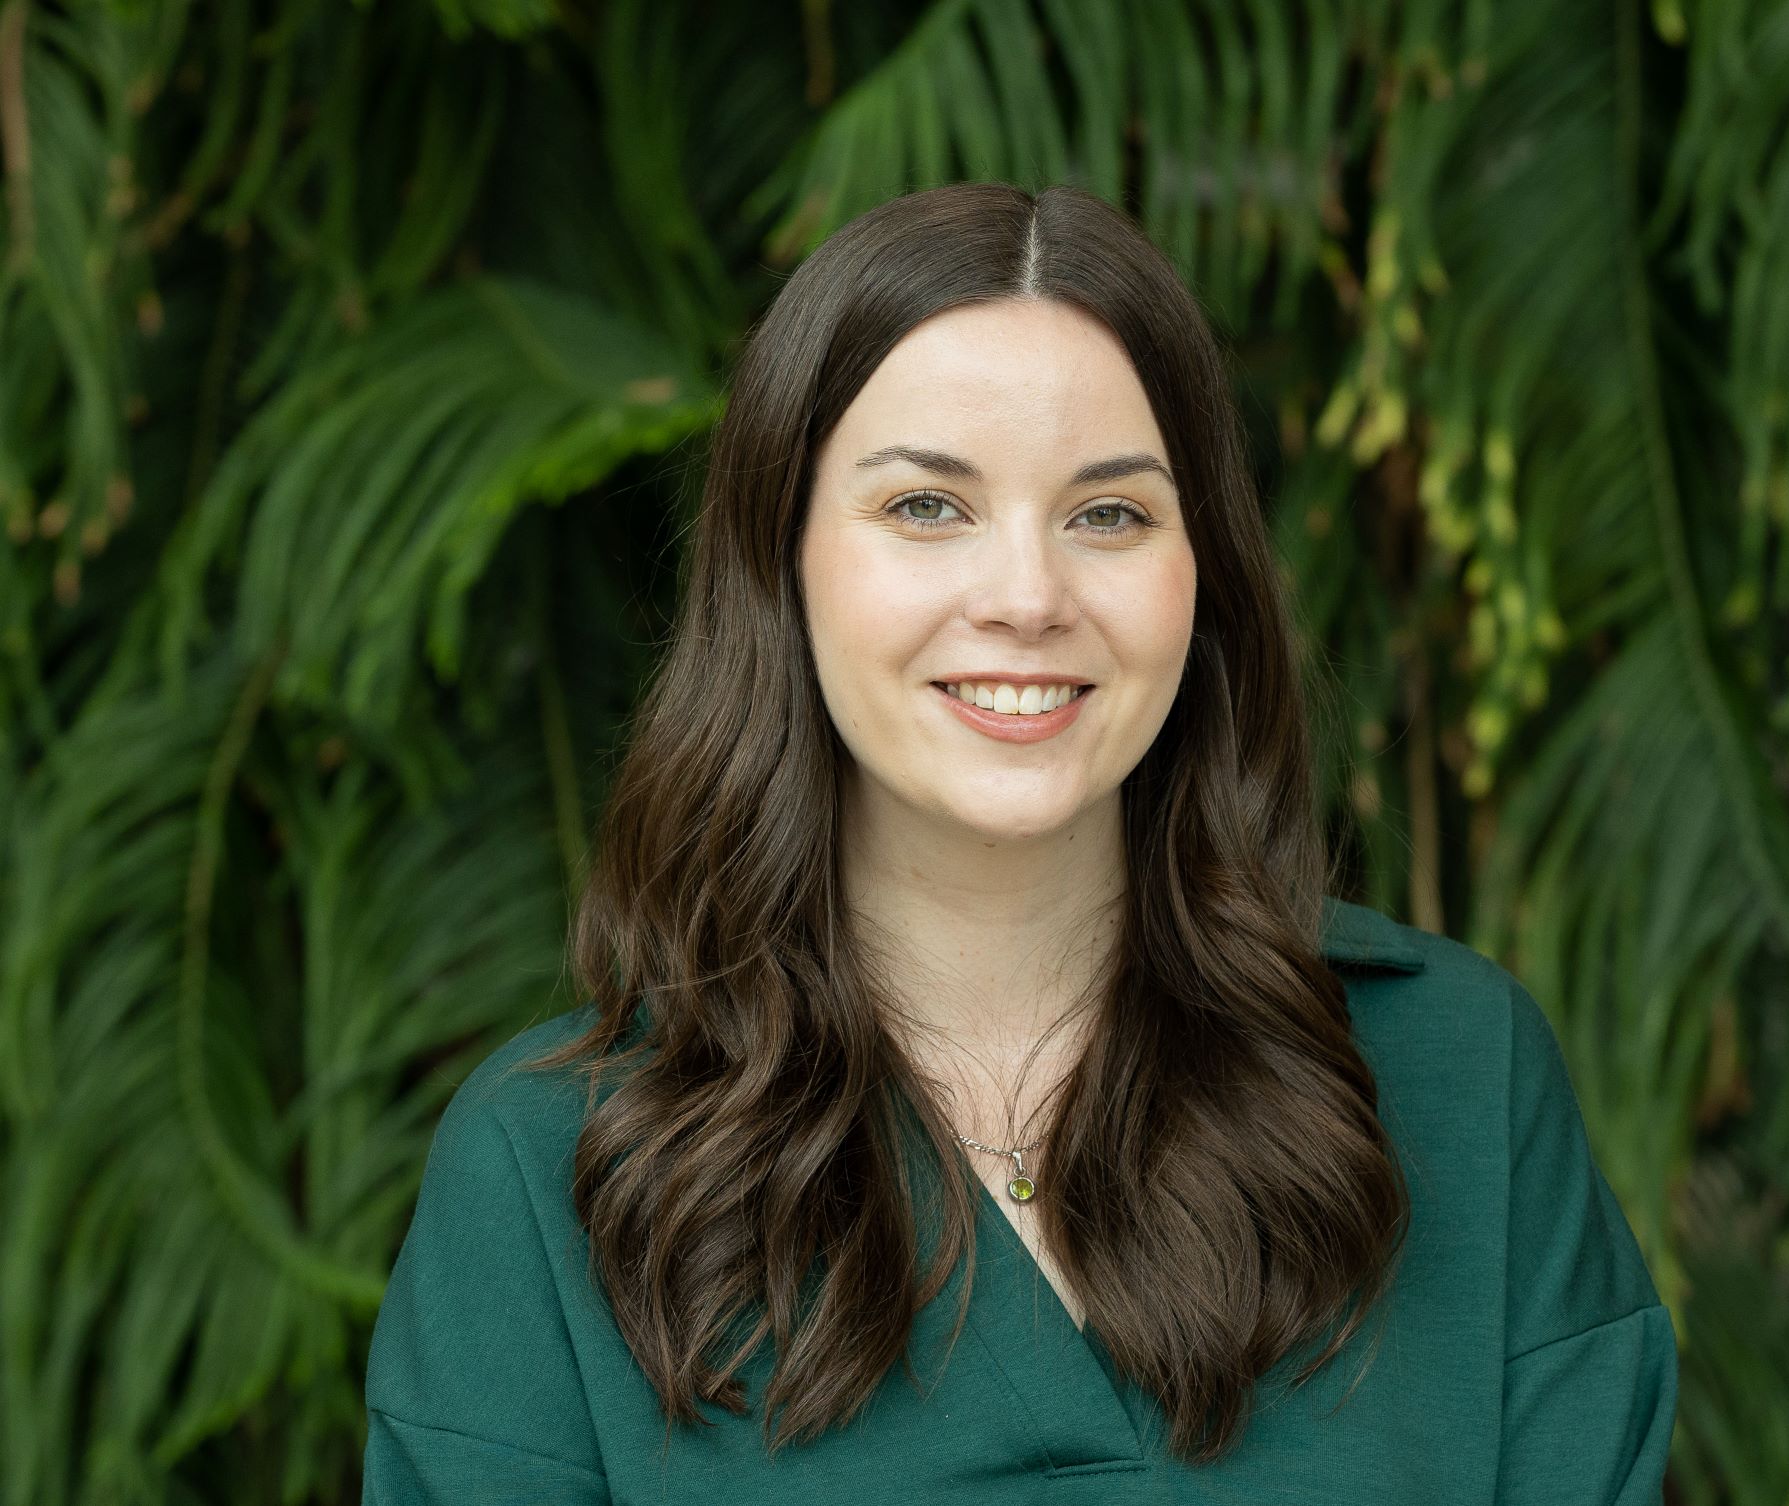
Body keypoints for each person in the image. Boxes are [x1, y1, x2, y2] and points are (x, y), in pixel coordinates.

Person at [360, 181, 1678, 1503]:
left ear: (1201, 574)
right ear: (782, 565)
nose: (1028, 597)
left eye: (1107, 513)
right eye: (926, 507)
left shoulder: (1454, 1076)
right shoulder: (555, 1176)